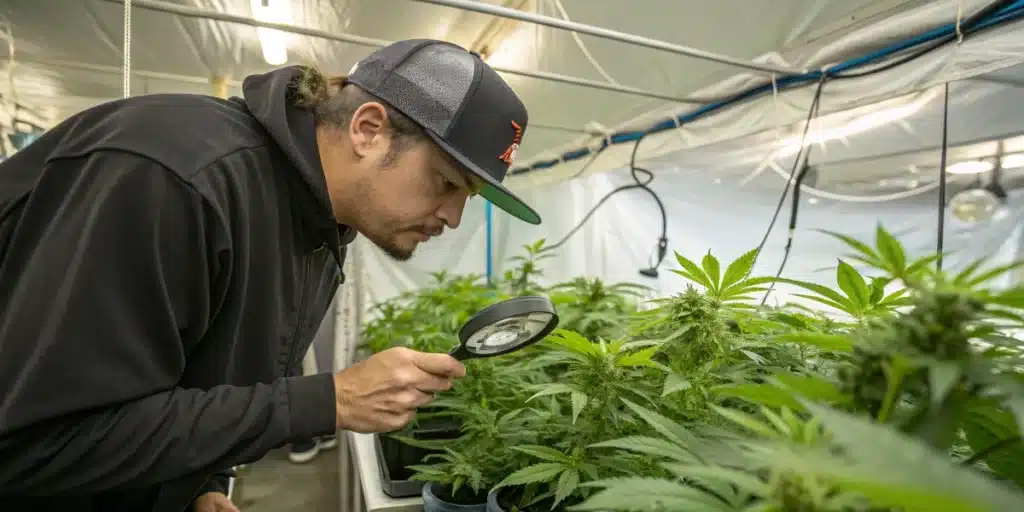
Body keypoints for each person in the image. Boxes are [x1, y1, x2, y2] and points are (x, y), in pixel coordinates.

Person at [0, 38, 540, 512]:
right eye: (446, 182)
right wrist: (328, 399)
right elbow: (37, 442)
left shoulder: (324, 228)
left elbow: (200, 375)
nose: (452, 217)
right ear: (369, 129)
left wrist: (194, 486)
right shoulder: (174, 178)